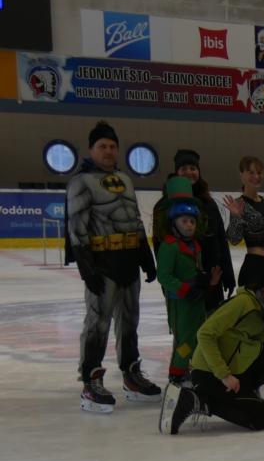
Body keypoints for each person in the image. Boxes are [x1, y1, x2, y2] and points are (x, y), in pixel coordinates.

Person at [66, 120, 160, 413]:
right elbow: (76, 228)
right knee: (98, 323)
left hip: (128, 262)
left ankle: (131, 373)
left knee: (130, 321)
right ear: (91, 149)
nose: (108, 151)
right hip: (102, 264)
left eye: (112, 146)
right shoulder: (81, 182)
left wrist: (146, 256)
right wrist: (87, 269)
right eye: (102, 146)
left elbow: (133, 219)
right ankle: (90, 380)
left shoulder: (125, 179)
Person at [159, 261, 264, 434]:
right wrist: (224, 375)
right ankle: (196, 400)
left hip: (236, 374)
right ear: (262, 285)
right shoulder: (243, 303)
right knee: (260, 419)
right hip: (209, 373)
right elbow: (205, 334)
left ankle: (242, 395)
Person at [156, 177, 222, 384]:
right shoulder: (169, 246)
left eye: (192, 221)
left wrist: (208, 283)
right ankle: (176, 373)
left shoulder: (195, 246)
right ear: (173, 222)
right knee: (183, 339)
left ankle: (191, 368)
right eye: (184, 221)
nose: (189, 225)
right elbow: (163, 276)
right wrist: (185, 289)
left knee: (197, 336)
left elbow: (197, 270)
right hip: (180, 302)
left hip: (196, 301)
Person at [152, 149, 235, 312]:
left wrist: (228, 275)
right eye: (184, 169)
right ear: (176, 172)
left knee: (212, 327)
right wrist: (169, 283)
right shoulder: (164, 206)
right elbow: (159, 247)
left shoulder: (208, 203)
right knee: (186, 330)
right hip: (183, 281)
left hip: (212, 278)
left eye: (193, 168)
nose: (189, 173)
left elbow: (220, 240)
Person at [223, 156, 264, 287]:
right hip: (254, 266)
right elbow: (234, 239)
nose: (256, 176)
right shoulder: (239, 204)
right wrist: (236, 216)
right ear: (242, 175)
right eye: (251, 172)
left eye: (259, 172)